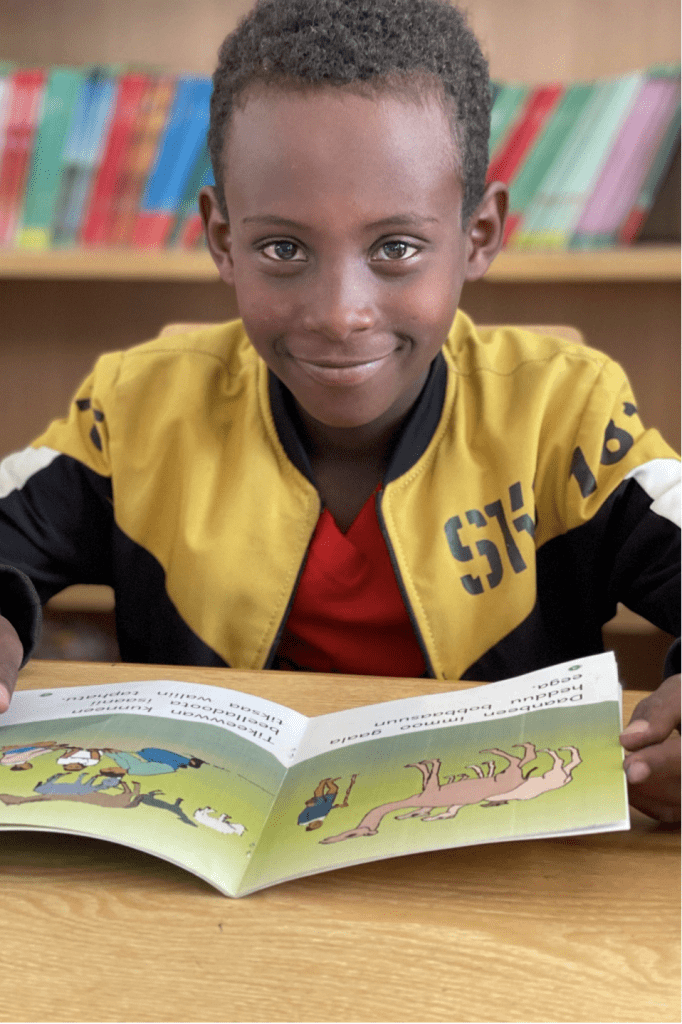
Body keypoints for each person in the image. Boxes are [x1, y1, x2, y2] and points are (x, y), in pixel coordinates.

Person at [0, 0, 678, 821]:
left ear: (479, 233)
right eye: (283, 249)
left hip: (500, 866)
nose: (339, 311)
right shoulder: (139, 406)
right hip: (203, 872)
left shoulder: (565, 410)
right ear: (221, 237)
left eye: (396, 248)